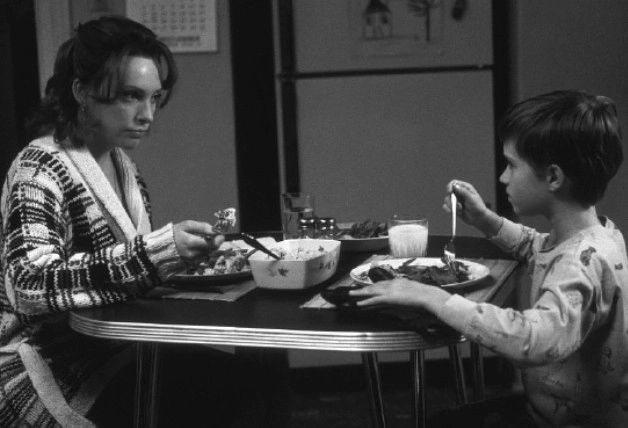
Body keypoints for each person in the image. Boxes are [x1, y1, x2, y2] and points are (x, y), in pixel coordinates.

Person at [0, 16, 287, 427]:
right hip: (50, 370)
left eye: (154, 98)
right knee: (239, 398)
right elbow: (29, 285)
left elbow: (129, 274)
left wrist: (185, 256)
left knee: (260, 382)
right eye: (131, 96)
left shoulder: (124, 166)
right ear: (81, 92)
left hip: (117, 349)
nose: (147, 114)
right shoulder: (40, 168)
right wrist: (158, 251)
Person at [352, 90, 628, 427]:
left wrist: (432, 296)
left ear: (553, 177)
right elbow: (538, 248)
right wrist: (486, 220)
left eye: (512, 165)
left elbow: (534, 340)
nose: (503, 177)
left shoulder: (581, 262)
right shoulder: (596, 237)